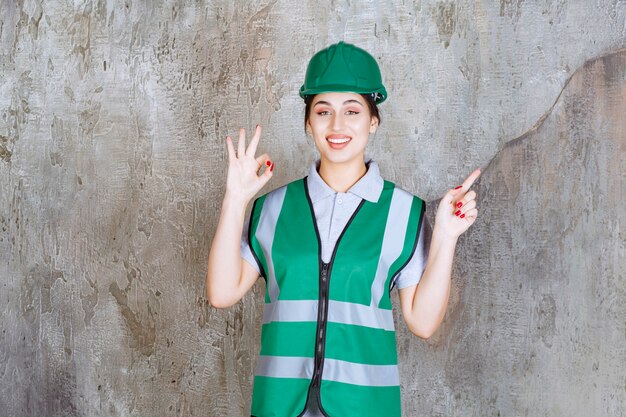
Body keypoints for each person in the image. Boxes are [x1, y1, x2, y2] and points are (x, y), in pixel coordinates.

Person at [207, 41, 480, 417]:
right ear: (308, 122)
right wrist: (235, 199)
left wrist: (447, 236)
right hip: (277, 407)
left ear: (373, 120)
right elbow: (221, 293)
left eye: (352, 111)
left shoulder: (404, 212)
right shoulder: (271, 208)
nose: (337, 126)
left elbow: (423, 322)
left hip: (366, 407)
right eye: (323, 111)